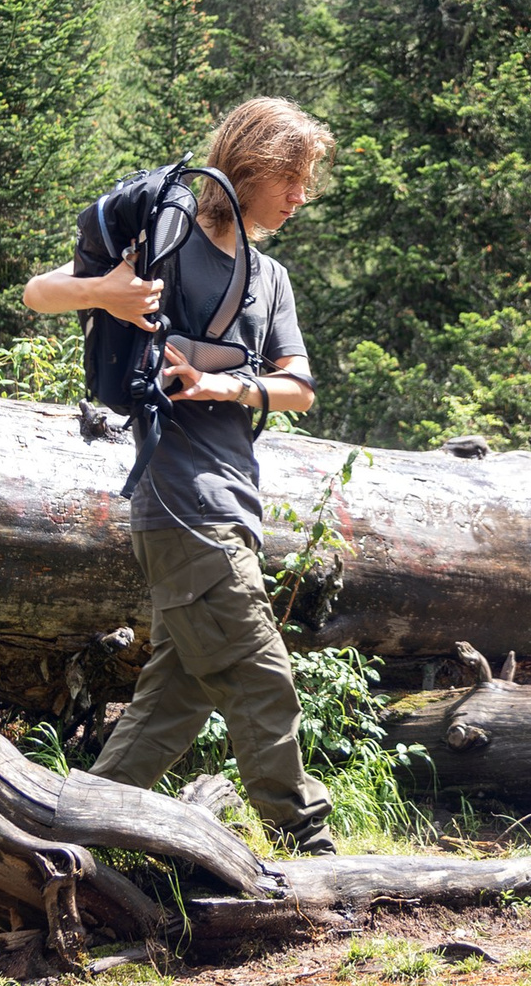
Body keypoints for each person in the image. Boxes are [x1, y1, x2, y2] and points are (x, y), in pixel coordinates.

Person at [20, 97, 337, 855]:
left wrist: (225, 385)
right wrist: (108, 294)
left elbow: (300, 386)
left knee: (175, 701)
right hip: (178, 502)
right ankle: (306, 847)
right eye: (291, 179)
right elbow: (38, 292)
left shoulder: (270, 279)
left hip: (233, 505)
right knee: (261, 676)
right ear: (251, 167)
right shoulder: (165, 243)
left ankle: (68, 837)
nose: (300, 197)